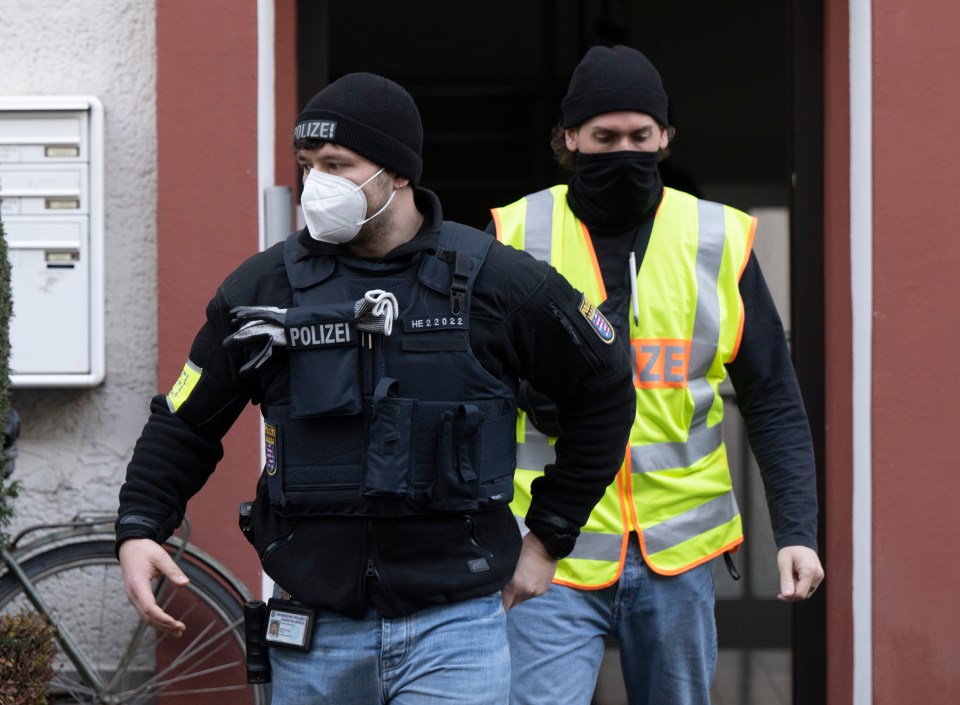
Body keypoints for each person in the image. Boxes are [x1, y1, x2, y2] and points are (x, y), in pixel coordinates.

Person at [115, 72, 635, 705]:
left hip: (457, 629)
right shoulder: (262, 291)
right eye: (307, 165)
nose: (316, 184)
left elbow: (604, 389)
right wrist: (141, 525)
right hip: (313, 634)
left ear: (397, 173)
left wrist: (551, 536)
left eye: (337, 164)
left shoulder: (497, 282)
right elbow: (184, 419)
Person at [489, 45, 825, 705]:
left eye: (639, 135)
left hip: (679, 552)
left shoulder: (717, 238)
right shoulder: (516, 233)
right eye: (604, 137)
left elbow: (774, 398)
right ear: (569, 139)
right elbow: (477, 384)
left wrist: (797, 531)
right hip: (550, 548)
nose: (623, 150)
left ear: (665, 137)